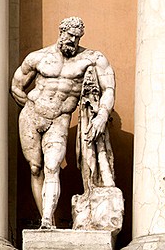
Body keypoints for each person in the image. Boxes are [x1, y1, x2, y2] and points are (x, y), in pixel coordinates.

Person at [11, 16, 115, 229]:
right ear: (60, 33)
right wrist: (32, 108)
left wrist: (102, 115)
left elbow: (109, 89)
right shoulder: (38, 58)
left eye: (77, 38)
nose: (72, 41)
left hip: (59, 119)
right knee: (35, 168)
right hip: (31, 114)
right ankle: (45, 217)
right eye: (69, 36)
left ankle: (47, 220)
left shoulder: (91, 59)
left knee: (52, 165)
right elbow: (16, 86)